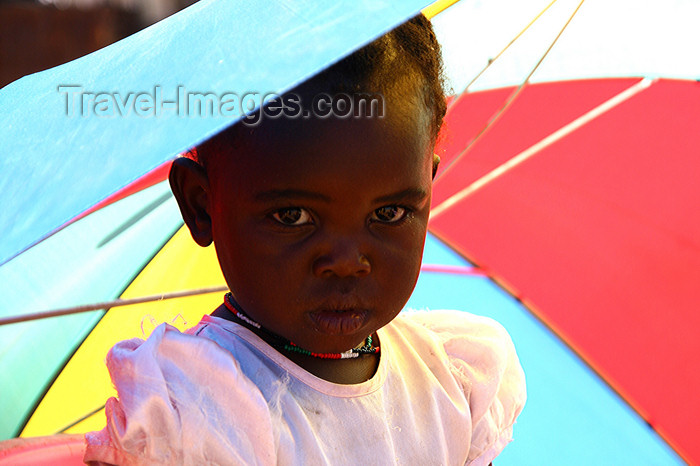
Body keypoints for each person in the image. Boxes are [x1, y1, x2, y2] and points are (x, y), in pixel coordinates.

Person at [84, 14, 525, 465]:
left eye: (389, 213)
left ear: (427, 192)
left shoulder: (449, 383)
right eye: (293, 216)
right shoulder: (198, 415)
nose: (347, 260)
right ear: (201, 205)